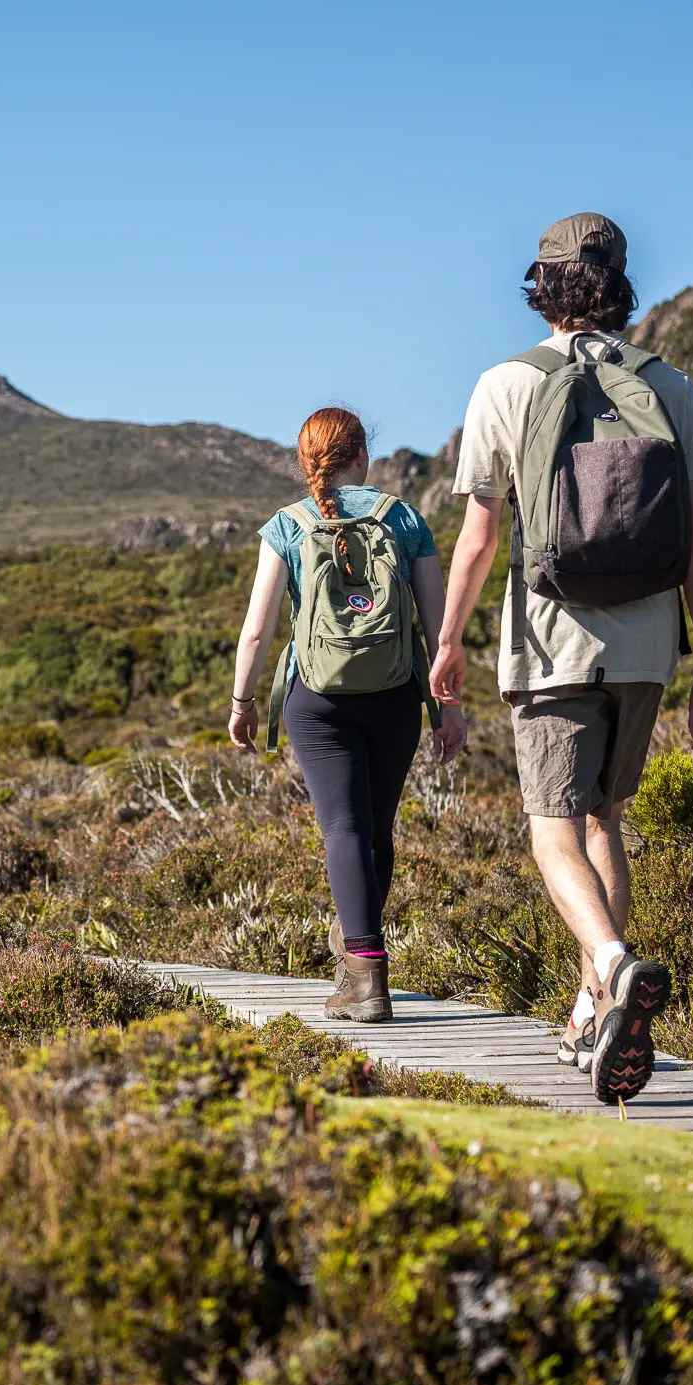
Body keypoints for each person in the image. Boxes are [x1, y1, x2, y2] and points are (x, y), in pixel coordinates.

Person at [429, 212, 693, 1105]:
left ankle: (610, 964)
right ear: (620, 283)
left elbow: (482, 537)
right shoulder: (673, 387)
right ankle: (589, 1013)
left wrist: (448, 640)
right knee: (607, 822)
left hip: (552, 641)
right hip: (645, 644)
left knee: (552, 829)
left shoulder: (504, 384)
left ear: (546, 284)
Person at [230, 407, 466, 1021]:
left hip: (317, 699)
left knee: (344, 828)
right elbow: (440, 627)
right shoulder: (405, 519)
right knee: (375, 827)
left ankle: (363, 974)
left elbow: (256, 632)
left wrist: (244, 701)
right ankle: (357, 950)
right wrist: (448, 707)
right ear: (363, 456)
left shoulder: (287, 525)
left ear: (305, 463)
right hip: (395, 694)